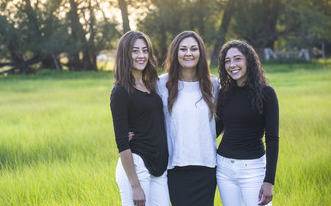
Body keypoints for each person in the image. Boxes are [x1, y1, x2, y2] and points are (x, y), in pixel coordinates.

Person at [157, 31, 220, 206]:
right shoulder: (161, 84)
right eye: (183, 49)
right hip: (175, 166)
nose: (189, 53)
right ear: (175, 53)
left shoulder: (213, 84)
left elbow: (224, 120)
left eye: (194, 48)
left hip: (207, 166)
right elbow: (146, 114)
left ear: (201, 53)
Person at [216, 40, 279, 206]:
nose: (232, 65)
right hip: (224, 169)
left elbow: (272, 139)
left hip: (253, 170)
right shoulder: (224, 93)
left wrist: (269, 181)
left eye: (237, 59)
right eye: (227, 61)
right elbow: (214, 130)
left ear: (248, 61)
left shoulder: (267, 93)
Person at [110, 31, 169, 206]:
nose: (141, 55)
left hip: (158, 167)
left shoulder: (151, 86)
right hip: (137, 166)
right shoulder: (120, 91)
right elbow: (122, 142)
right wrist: (135, 185)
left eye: (145, 50)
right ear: (125, 54)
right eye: (135, 51)